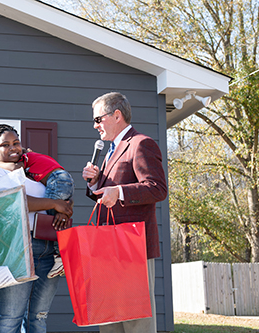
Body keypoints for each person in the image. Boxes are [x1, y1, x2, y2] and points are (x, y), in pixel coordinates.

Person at [82, 92, 168, 333]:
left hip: (132, 247)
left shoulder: (141, 143)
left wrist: (118, 191)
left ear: (116, 115)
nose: (95, 125)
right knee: (109, 319)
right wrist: (96, 183)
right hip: (107, 247)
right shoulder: (112, 148)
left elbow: (157, 188)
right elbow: (109, 193)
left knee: (135, 321)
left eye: (98, 119)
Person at [0, 124, 73, 333]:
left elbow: (60, 197)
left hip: (47, 249)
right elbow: (11, 201)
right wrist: (55, 204)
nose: (13, 148)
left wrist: (63, 209)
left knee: (38, 319)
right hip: (13, 249)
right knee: (9, 318)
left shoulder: (32, 169)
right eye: (5, 144)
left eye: (16, 143)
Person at [0, 149, 74, 278]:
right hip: (63, 181)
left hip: (57, 180)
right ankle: (63, 255)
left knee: (54, 223)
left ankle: (61, 257)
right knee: (58, 217)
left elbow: (16, 167)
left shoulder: (26, 158)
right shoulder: (38, 158)